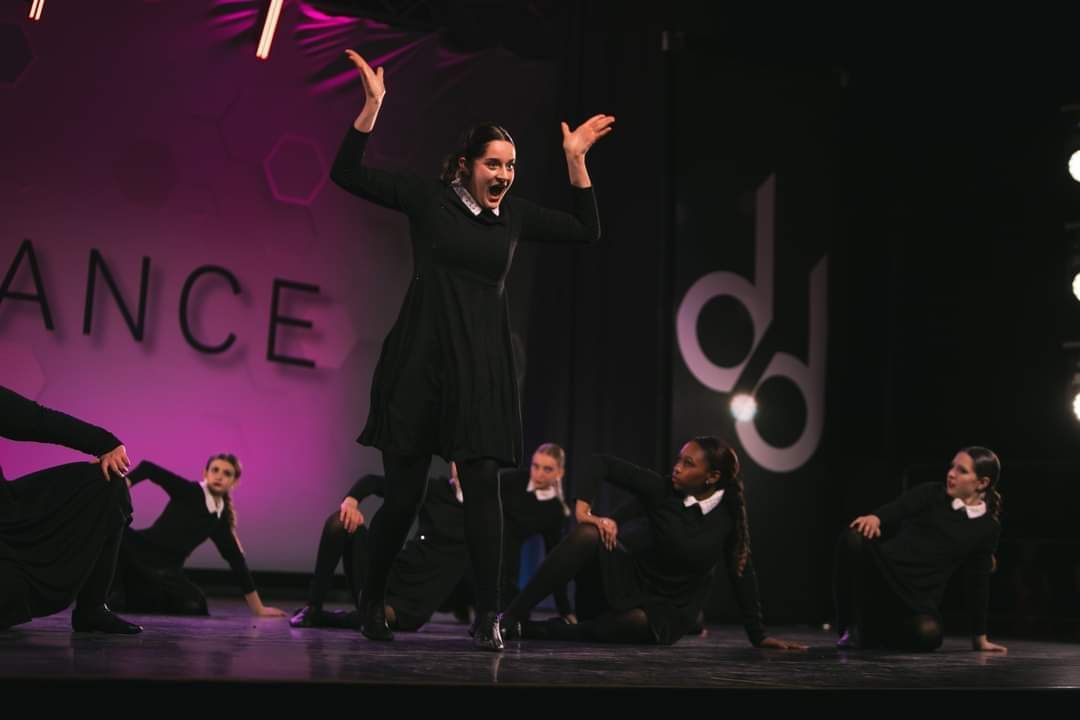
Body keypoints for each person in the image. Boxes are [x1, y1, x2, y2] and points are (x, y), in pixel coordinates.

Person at [329, 47, 614, 650]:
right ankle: (370, 598)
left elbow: (587, 230)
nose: (505, 175)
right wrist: (372, 108)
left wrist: (575, 161)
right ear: (465, 166)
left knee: (485, 492)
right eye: (494, 164)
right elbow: (347, 174)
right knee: (403, 499)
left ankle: (490, 616)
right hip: (419, 363)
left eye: (512, 166)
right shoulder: (428, 199)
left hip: (482, 369)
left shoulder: (511, 218)